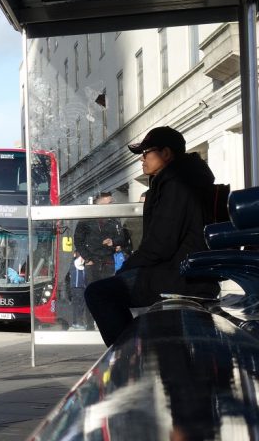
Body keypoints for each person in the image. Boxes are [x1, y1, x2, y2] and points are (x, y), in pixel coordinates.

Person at [85, 126, 220, 346]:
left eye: (147, 152)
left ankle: (129, 355)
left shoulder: (177, 184)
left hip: (181, 277)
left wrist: (128, 267)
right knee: (108, 290)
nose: (142, 159)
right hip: (185, 271)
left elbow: (161, 244)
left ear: (166, 153)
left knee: (98, 293)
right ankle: (135, 351)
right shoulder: (180, 179)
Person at [73, 191, 128, 285]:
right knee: (93, 289)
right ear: (99, 205)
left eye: (111, 203)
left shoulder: (114, 219)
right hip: (92, 260)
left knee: (108, 288)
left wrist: (113, 242)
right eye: (108, 204)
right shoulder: (86, 219)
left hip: (108, 260)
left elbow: (122, 237)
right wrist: (87, 258)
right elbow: (78, 240)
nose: (111, 206)